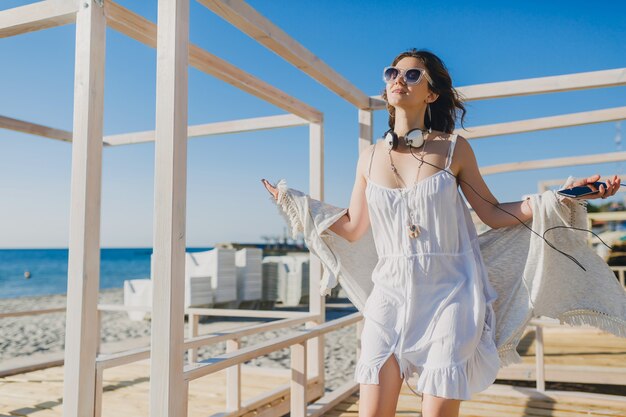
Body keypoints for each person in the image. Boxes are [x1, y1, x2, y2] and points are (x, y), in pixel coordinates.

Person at [262, 48, 620, 417]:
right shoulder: (368, 157)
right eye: (392, 73)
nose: (399, 80)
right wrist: (299, 205)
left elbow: (493, 213)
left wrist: (562, 197)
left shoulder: (453, 150)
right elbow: (353, 228)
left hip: (451, 295)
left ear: (431, 94)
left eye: (413, 75)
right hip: (389, 295)